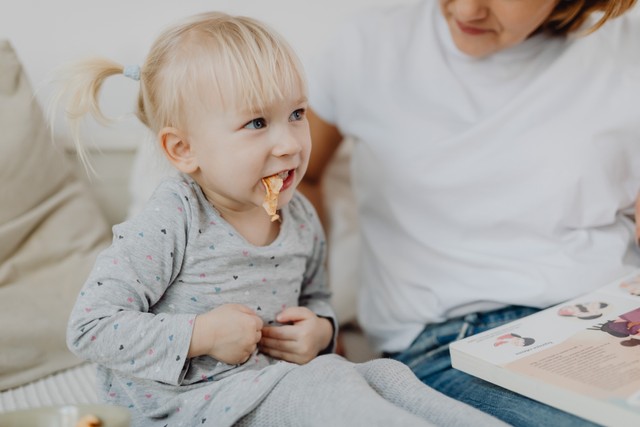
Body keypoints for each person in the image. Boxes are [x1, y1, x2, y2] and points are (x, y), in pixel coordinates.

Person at [55, 11, 506, 427]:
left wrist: (321, 331)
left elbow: (316, 296)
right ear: (183, 150)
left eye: (296, 114)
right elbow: (89, 328)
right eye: (256, 123)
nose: (289, 143)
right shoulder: (173, 217)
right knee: (322, 386)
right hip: (192, 406)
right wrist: (202, 334)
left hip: (273, 388)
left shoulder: (300, 216)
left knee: (386, 376)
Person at [301, 0, 640, 425]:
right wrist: (315, 310)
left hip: (612, 315)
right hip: (449, 343)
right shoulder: (371, 45)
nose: (465, 9)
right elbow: (296, 177)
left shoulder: (626, 51)